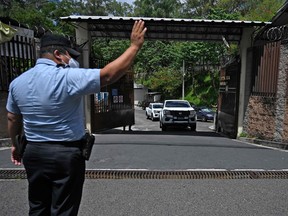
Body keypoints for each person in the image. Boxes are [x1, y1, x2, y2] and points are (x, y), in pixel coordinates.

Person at [6, 20, 146, 216]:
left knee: (37, 207)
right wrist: (134, 47)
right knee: (63, 210)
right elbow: (107, 76)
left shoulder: (17, 83)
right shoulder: (67, 77)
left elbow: (12, 118)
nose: (71, 60)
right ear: (57, 54)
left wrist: (15, 145)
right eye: (69, 55)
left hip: (33, 152)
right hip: (65, 155)